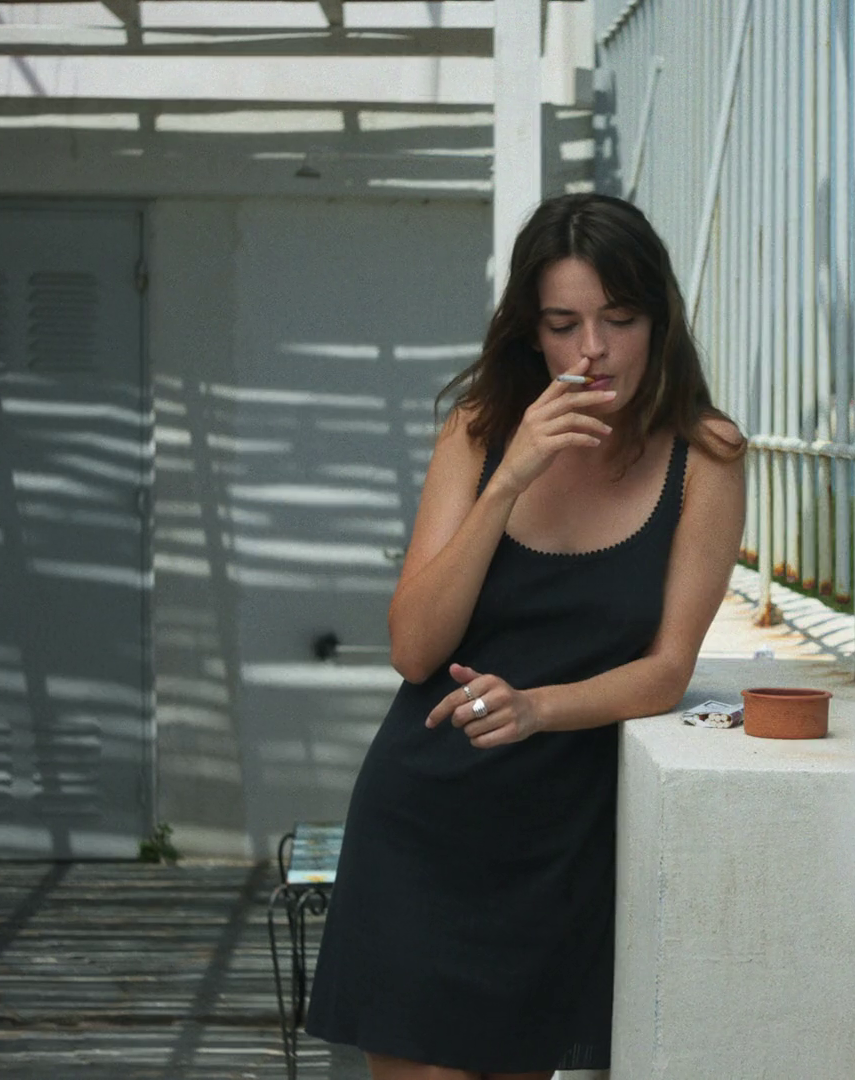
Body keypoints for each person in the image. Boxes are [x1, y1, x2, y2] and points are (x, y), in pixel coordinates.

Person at [304, 193, 747, 1080]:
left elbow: (666, 670)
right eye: (563, 324)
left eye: (619, 319)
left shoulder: (706, 456)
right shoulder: (479, 434)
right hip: (424, 819)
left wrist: (538, 707)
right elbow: (414, 650)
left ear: (659, 321)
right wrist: (509, 479)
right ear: (531, 333)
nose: (592, 350)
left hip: (558, 840)